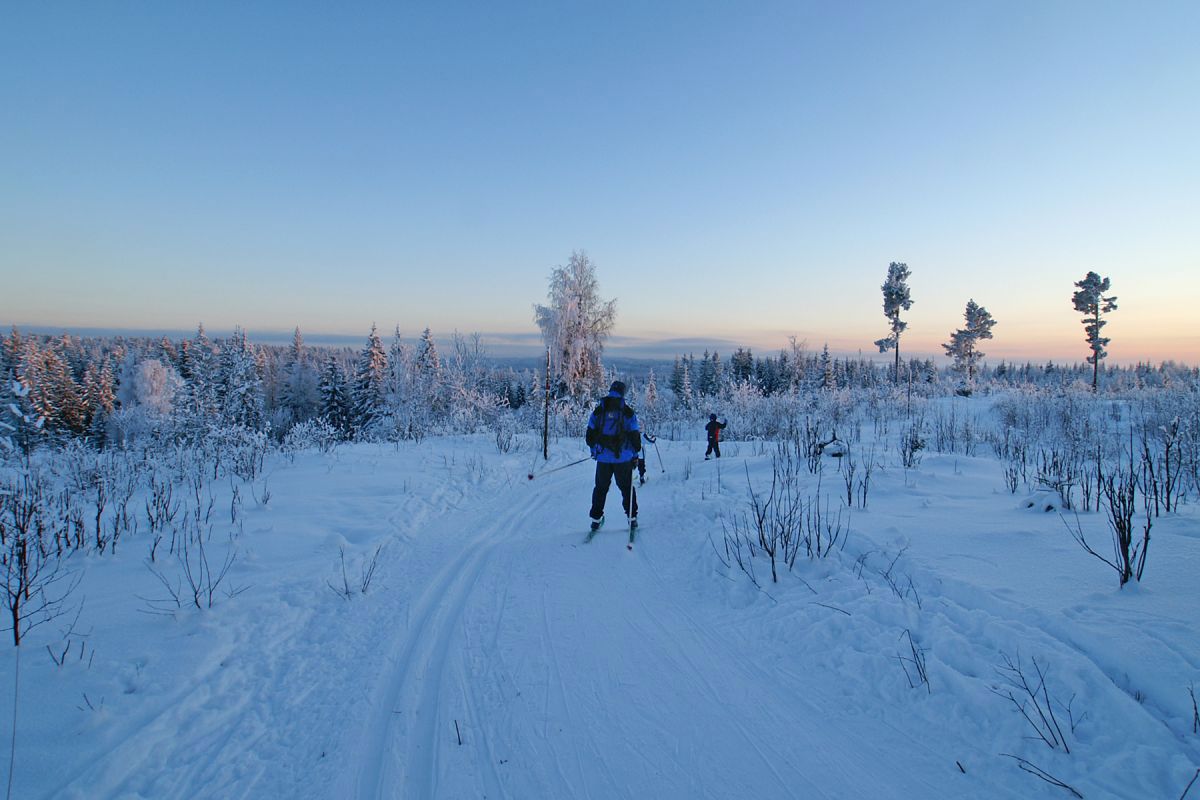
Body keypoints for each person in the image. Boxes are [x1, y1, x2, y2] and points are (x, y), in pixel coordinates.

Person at [585, 380, 642, 530]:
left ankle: (596, 520)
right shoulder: (628, 412)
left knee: (600, 488)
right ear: (623, 393)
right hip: (623, 459)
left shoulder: (599, 411)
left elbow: (589, 436)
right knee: (626, 488)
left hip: (603, 458)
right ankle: (632, 518)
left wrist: (595, 450)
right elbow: (635, 437)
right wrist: (635, 455)